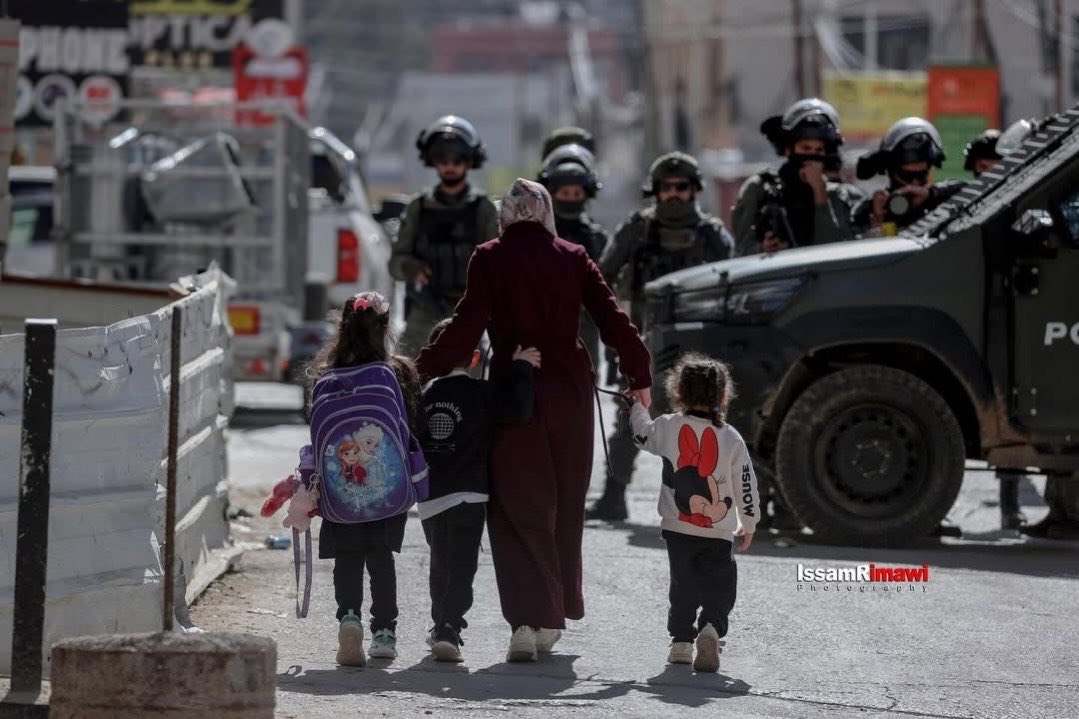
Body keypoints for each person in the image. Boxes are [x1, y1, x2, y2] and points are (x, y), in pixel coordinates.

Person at [415, 178, 652, 662]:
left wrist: (421, 368)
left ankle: (527, 619)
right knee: (564, 502)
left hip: (512, 392)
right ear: (545, 212)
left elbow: (467, 323)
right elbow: (613, 319)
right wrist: (639, 374)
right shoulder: (574, 255)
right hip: (569, 395)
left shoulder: (488, 256)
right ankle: (554, 614)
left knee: (517, 504)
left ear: (505, 215)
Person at [587, 152, 734, 521]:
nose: (673, 195)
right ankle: (614, 496)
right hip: (647, 341)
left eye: (681, 187)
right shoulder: (637, 229)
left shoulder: (711, 234)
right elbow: (601, 276)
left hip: (700, 345)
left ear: (694, 190)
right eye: (666, 188)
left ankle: (709, 501)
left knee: (707, 425)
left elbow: (735, 277)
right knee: (630, 423)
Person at [309, 291, 424, 667]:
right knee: (381, 559)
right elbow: (409, 432)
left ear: (342, 328)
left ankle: (349, 617)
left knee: (347, 558)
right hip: (385, 492)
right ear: (385, 329)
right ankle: (384, 633)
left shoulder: (324, 378)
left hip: (340, 495)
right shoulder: (396, 373)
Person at [418, 321, 540, 662]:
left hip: (431, 498)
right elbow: (519, 409)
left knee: (441, 563)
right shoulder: (481, 393)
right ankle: (449, 627)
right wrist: (522, 367)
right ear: (474, 358)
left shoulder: (423, 395)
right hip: (470, 496)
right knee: (462, 566)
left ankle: (441, 625)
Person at [629, 352, 758, 673]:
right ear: (723, 395)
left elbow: (641, 434)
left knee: (682, 585)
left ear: (678, 392)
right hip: (718, 532)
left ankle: (682, 643)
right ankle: (712, 628)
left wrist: (636, 406)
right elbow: (746, 482)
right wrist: (750, 521)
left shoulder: (669, 427)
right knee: (720, 583)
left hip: (677, 530)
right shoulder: (730, 437)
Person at [390, 115, 499, 353]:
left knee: (470, 381)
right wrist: (412, 267)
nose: (450, 165)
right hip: (424, 309)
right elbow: (395, 264)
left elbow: (498, 265)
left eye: (457, 158)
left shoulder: (483, 210)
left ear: (470, 161)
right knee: (408, 371)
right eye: (442, 158)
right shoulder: (418, 208)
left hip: (468, 309)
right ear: (432, 160)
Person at [732, 98, 863, 255]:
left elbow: (834, 254)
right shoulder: (759, 190)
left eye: (818, 150)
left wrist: (820, 194)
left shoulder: (843, 196)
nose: (812, 156)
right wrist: (762, 249)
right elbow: (739, 251)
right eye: (805, 148)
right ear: (789, 150)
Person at [536, 141, 609, 365]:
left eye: (576, 192)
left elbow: (608, 284)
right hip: (541, 322)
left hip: (583, 324)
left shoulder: (596, 238)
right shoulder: (537, 234)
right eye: (565, 192)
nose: (570, 198)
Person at [851, 117, 966, 235]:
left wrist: (931, 194)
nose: (914, 184)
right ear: (891, 172)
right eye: (906, 176)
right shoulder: (869, 212)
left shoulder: (941, 203)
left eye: (921, 176)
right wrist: (877, 224)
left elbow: (973, 192)